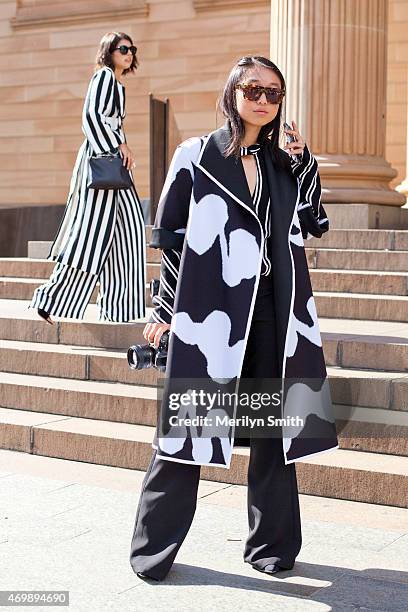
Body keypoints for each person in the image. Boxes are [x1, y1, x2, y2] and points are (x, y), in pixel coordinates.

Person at [129, 56, 338, 581]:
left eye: (273, 92)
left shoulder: (283, 163)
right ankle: (153, 548)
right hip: (210, 312)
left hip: (278, 311)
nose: (263, 99)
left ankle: (271, 547)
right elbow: (170, 238)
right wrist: (164, 311)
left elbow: (316, 223)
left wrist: (305, 162)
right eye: (253, 89)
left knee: (276, 431)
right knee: (191, 425)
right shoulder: (195, 155)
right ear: (233, 92)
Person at [30, 31, 146, 324]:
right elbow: (92, 118)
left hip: (113, 167)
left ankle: (120, 309)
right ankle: (50, 298)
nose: (128, 53)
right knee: (90, 237)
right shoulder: (104, 77)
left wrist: (120, 146)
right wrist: (118, 145)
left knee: (129, 233)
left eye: (131, 48)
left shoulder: (117, 83)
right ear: (108, 51)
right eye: (122, 48)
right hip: (101, 165)